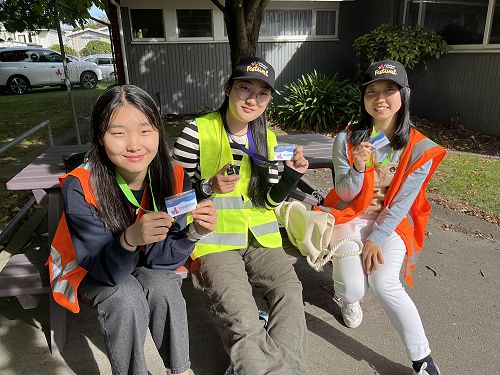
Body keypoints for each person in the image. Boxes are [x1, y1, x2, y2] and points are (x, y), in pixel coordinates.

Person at [48, 84, 217, 375]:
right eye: (117, 133)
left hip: (139, 260)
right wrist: (128, 239)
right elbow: (104, 272)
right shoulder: (83, 184)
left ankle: (180, 370)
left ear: (158, 132)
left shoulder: (174, 175)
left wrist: (194, 233)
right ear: (100, 139)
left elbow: (163, 260)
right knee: (125, 297)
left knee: (164, 285)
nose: (134, 145)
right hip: (86, 267)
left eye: (145, 130)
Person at [173, 57, 309, 375]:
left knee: (290, 292)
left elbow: (270, 200)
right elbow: (170, 202)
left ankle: (255, 367)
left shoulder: (270, 140)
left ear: (269, 100)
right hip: (212, 241)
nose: (252, 99)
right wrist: (209, 186)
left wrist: (290, 176)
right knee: (243, 318)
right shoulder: (197, 132)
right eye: (244, 88)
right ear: (228, 88)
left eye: (262, 93)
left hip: (260, 237)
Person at [315, 60, 446, 375]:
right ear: (363, 98)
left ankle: (422, 359)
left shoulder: (419, 148)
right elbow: (345, 195)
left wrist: (376, 239)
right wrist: (358, 168)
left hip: (392, 224)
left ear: (404, 94)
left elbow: (403, 203)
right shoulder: (347, 139)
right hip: (349, 218)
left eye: (389, 90)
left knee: (385, 282)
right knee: (353, 289)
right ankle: (347, 298)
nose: (380, 98)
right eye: (371, 91)